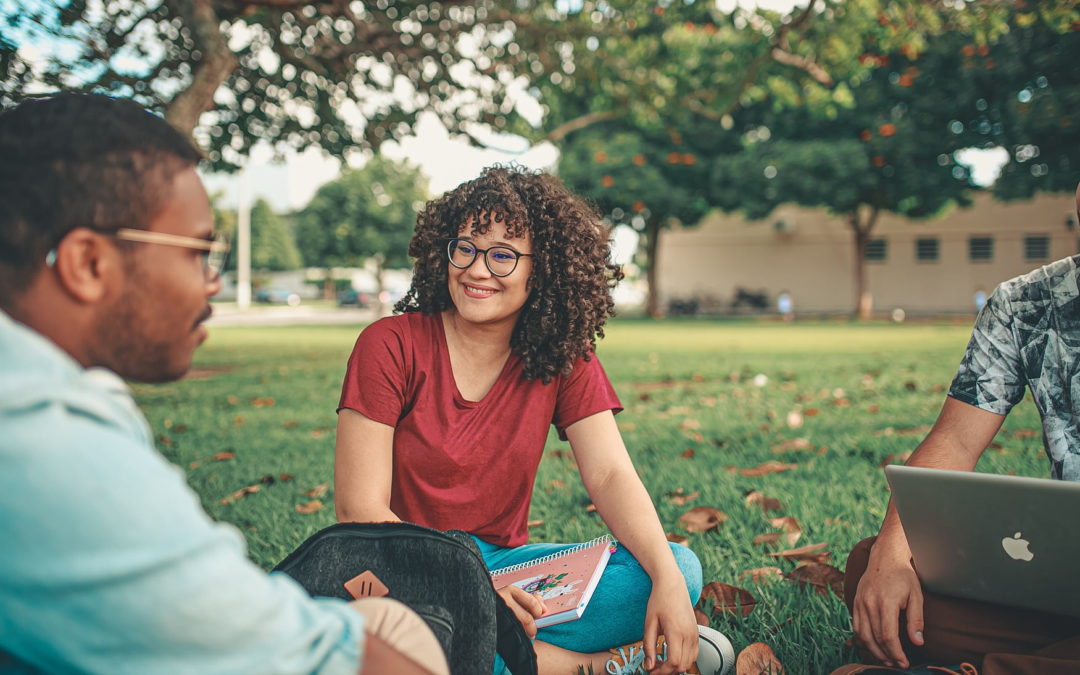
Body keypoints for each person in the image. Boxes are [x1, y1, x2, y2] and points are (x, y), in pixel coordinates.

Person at [0, 93, 447, 675]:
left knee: (387, 620)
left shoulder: (52, 392)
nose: (212, 282)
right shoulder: (47, 447)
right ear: (89, 263)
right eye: (198, 253)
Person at [333, 166, 733, 675]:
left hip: (502, 571)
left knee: (677, 566)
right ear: (444, 251)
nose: (478, 270)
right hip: (400, 571)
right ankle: (588, 666)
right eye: (467, 248)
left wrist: (669, 585)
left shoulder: (563, 356)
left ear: (540, 269)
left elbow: (609, 474)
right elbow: (358, 510)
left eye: (503, 255)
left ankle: (490, 652)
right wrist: (472, 596)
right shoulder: (389, 344)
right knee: (401, 635)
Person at [835, 184, 1080, 675]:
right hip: (1068, 577)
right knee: (876, 572)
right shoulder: (1027, 303)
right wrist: (894, 554)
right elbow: (955, 440)